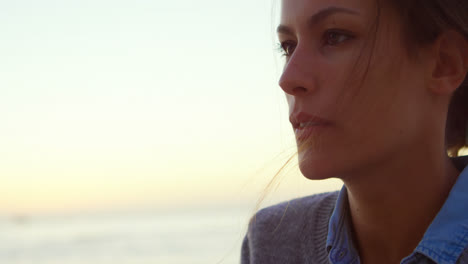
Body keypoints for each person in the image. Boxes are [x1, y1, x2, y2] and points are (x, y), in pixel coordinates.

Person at [241, 0, 468, 263]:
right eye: (288, 47)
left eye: (334, 36)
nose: (288, 79)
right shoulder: (271, 243)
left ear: (445, 63)